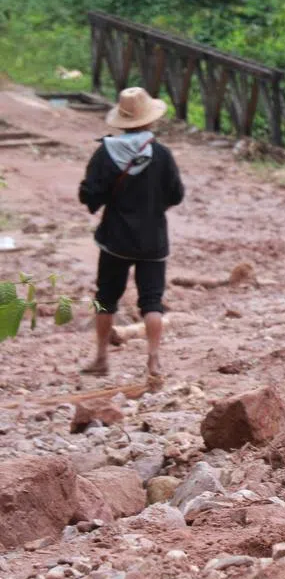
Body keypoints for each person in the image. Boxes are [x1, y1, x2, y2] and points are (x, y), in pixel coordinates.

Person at [78, 87, 184, 386]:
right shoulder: (162, 154)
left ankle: (100, 357)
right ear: (150, 119)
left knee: (105, 298)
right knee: (152, 302)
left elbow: (89, 194)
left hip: (115, 240)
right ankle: (153, 360)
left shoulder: (106, 152)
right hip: (153, 241)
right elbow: (176, 194)